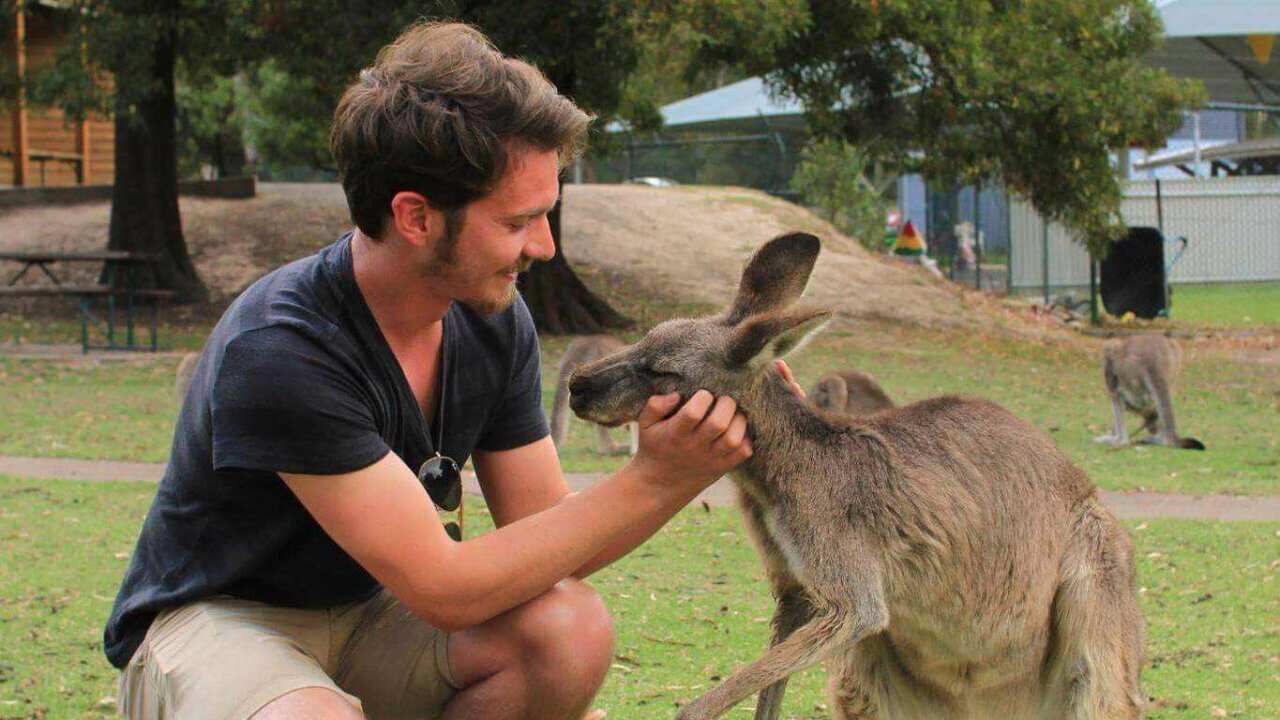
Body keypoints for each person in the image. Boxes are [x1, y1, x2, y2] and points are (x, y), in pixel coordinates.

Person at [103, 22, 758, 720]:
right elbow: (446, 588)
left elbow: (547, 532)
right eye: (517, 222)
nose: (541, 245)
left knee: (568, 628)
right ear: (415, 218)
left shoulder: (492, 319)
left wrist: (678, 465)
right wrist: (658, 477)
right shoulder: (282, 346)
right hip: (221, 621)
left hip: (371, 614)